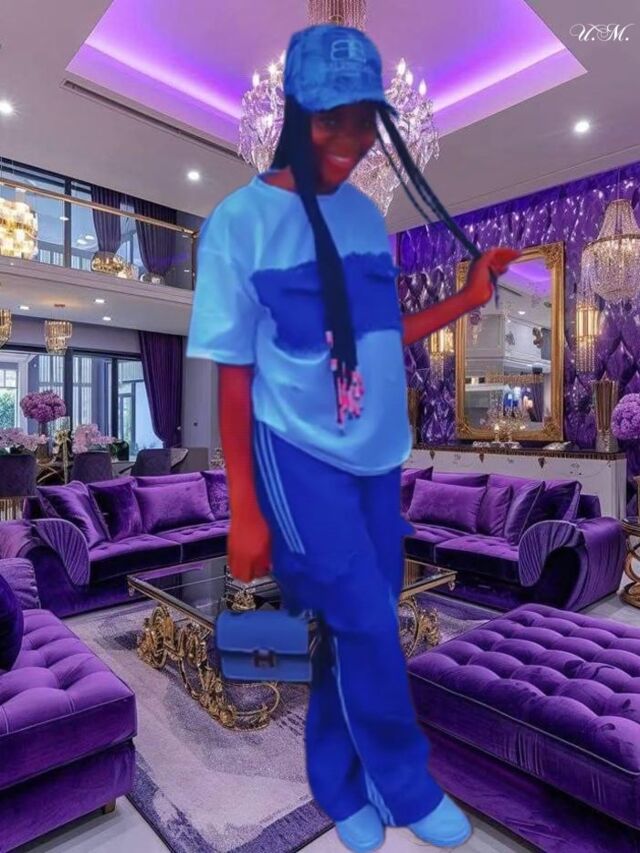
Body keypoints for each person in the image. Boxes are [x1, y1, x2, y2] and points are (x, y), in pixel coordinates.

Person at [188, 23, 519, 852]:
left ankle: (340, 786)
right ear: (293, 114)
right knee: (368, 616)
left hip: (379, 456)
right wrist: (244, 509)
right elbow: (233, 374)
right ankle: (405, 781)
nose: (350, 138)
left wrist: (466, 300)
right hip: (297, 451)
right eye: (329, 118)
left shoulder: (369, 217)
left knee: (352, 623)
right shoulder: (238, 223)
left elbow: (381, 332)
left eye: (365, 119)